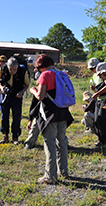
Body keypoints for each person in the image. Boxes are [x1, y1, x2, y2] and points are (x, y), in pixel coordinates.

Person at [29, 54, 73, 184]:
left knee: (50, 144)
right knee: (62, 142)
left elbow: (41, 96)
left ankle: (50, 176)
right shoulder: (60, 74)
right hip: (63, 113)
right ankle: (63, 170)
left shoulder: (45, 75)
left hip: (50, 115)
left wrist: (33, 90)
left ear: (40, 66)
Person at [0, 57, 30, 145]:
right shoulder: (2, 69)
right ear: (7, 66)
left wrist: (22, 92)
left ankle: (15, 136)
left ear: (18, 67)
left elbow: (27, 84)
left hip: (17, 96)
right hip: (5, 95)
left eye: (14, 69)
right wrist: (2, 88)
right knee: (4, 116)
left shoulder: (23, 71)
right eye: (10, 69)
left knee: (16, 117)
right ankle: (5, 135)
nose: (12, 71)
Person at [87, 58, 106, 147]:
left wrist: (97, 93)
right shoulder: (94, 76)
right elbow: (97, 89)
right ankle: (101, 140)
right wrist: (93, 89)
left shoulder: (104, 73)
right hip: (99, 100)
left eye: (92, 68)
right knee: (96, 121)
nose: (92, 71)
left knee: (101, 120)